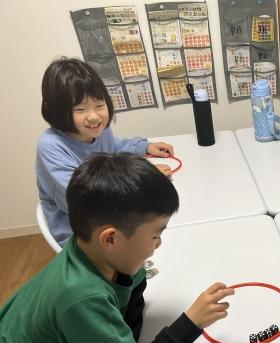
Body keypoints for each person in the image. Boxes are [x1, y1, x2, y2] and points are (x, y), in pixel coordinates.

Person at [0, 153, 234, 343]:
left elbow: (130, 307)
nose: (159, 244)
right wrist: (189, 325)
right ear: (110, 239)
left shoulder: (111, 258)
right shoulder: (81, 295)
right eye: (155, 235)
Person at [36, 57, 175, 247]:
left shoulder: (99, 131)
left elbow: (115, 148)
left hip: (112, 220)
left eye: (99, 105)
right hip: (82, 237)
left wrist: (144, 147)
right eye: (81, 109)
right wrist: (145, 179)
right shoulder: (51, 146)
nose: (93, 116)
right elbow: (87, 201)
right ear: (58, 111)